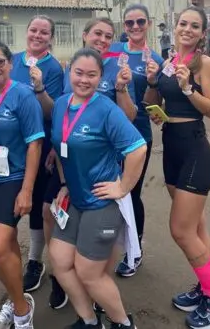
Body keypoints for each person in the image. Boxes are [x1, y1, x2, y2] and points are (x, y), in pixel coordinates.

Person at [143, 5, 210, 329]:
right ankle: (206, 286)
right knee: (195, 227)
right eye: (183, 24)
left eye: (195, 26)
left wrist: (188, 89)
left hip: (195, 150)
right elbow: (154, 99)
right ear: (175, 28)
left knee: (181, 230)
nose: (188, 29)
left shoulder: (204, 64)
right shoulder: (169, 62)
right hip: (172, 148)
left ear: (203, 33)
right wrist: (154, 89)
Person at [49, 48, 148, 329]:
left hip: (101, 202)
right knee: (59, 260)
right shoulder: (60, 105)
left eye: (91, 75)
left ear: (100, 77)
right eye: (79, 73)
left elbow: (137, 149)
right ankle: (90, 321)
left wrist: (123, 187)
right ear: (70, 71)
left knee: (88, 272)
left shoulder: (106, 109)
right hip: (76, 198)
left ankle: (122, 323)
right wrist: (66, 183)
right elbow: (60, 148)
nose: (84, 80)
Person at [0, 41, 45, 329]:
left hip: (13, 180)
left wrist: (27, 189)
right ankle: (16, 302)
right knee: (8, 244)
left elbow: (35, 144)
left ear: (10, 64)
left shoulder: (23, 96)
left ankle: (23, 309)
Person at [9, 16, 67, 308]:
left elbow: (53, 112)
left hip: (40, 145)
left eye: (44, 32)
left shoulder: (54, 68)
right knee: (11, 202)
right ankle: (17, 261)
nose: (38, 35)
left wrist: (40, 87)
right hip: (10, 145)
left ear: (50, 37)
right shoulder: (12, 61)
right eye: (33, 30)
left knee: (39, 207)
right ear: (26, 32)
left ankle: (36, 261)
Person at [109, 4, 165, 277]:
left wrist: (154, 82)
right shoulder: (112, 55)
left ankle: (135, 248)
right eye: (129, 22)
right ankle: (108, 245)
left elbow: (157, 103)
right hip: (107, 136)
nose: (134, 27)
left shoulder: (155, 58)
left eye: (140, 21)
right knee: (108, 192)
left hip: (138, 135)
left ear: (148, 23)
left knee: (131, 193)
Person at [64, 17, 136, 122]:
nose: (102, 40)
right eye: (98, 33)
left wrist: (121, 88)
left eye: (108, 37)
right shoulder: (71, 65)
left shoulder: (121, 70)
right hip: (71, 133)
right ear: (84, 36)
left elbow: (129, 117)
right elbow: (62, 104)